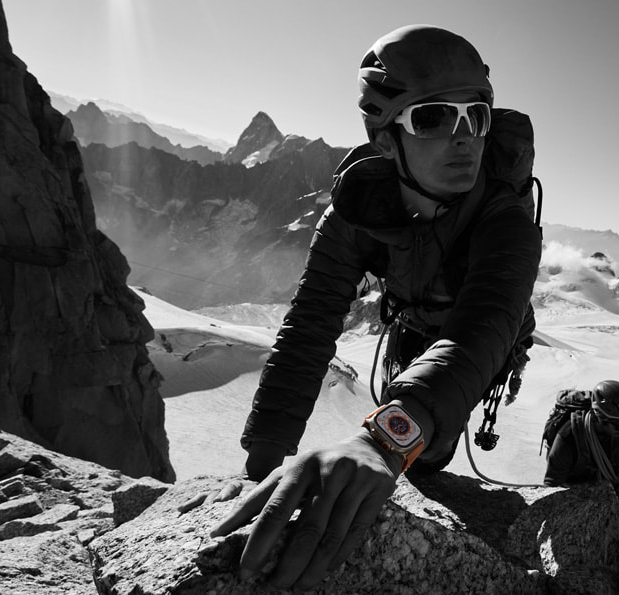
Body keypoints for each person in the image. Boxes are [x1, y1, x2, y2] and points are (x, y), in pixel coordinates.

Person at [205, 25, 542, 591]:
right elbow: (310, 325)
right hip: (413, 324)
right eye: (433, 118)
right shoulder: (355, 211)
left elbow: (485, 324)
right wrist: (264, 467)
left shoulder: (504, 216)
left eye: (476, 117)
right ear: (386, 139)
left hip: (481, 337)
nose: (465, 139)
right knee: (410, 448)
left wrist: (384, 441)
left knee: (420, 454)